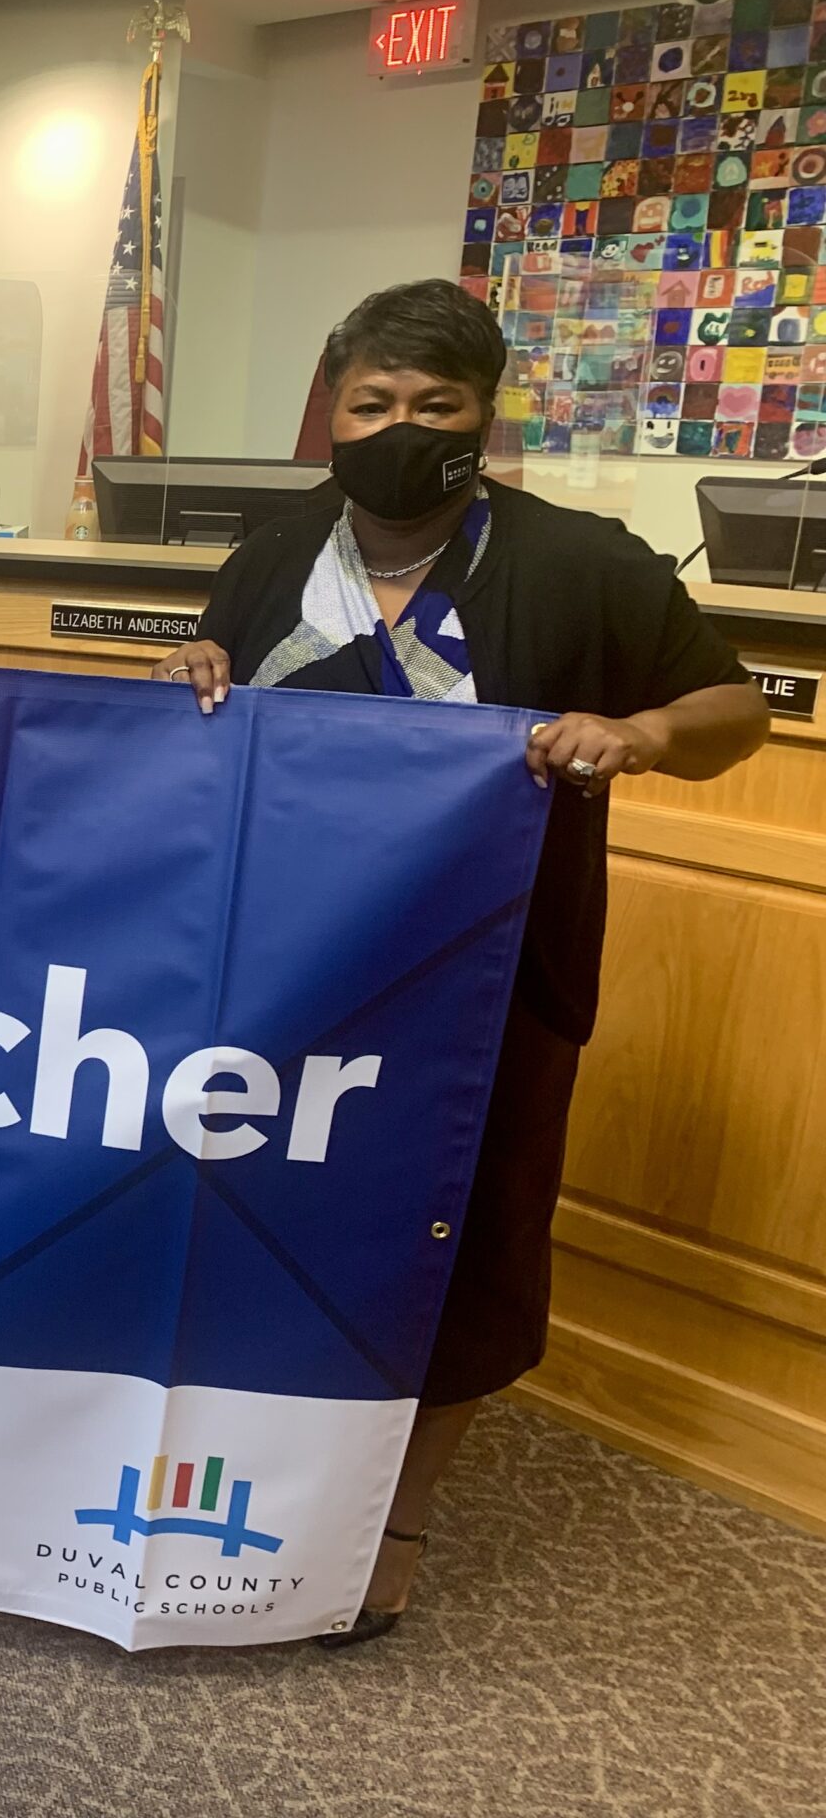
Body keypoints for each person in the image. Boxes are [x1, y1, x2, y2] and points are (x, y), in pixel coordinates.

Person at [156, 279, 770, 1643]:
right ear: (330, 412)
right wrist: (196, 669)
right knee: (269, 1226)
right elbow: (218, 715)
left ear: (485, 415)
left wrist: (646, 734)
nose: (399, 427)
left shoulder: (581, 562)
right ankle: (250, 1469)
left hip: (491, 986)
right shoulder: (270, 560)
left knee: (465, 1244)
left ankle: (402, 1512)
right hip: (285, 980)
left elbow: (735, 709)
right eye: (371, 402)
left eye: (437, 404)